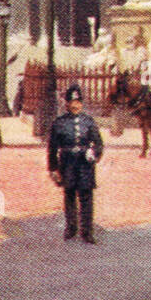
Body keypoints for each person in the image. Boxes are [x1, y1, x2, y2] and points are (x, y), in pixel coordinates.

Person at [48, 84, 104, 243]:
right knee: (70, 196)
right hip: (67, 163)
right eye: (72, 102)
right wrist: (53, 169)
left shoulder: (89, 121)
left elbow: (99, 143)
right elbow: (52, 148)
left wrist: (93, 152)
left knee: (86, 196)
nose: (75, 105)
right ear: (66, 104)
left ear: (82, 103)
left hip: (85, 164)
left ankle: (87, 231)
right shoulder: (59, 122)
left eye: (78, 102)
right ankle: (71, 227)